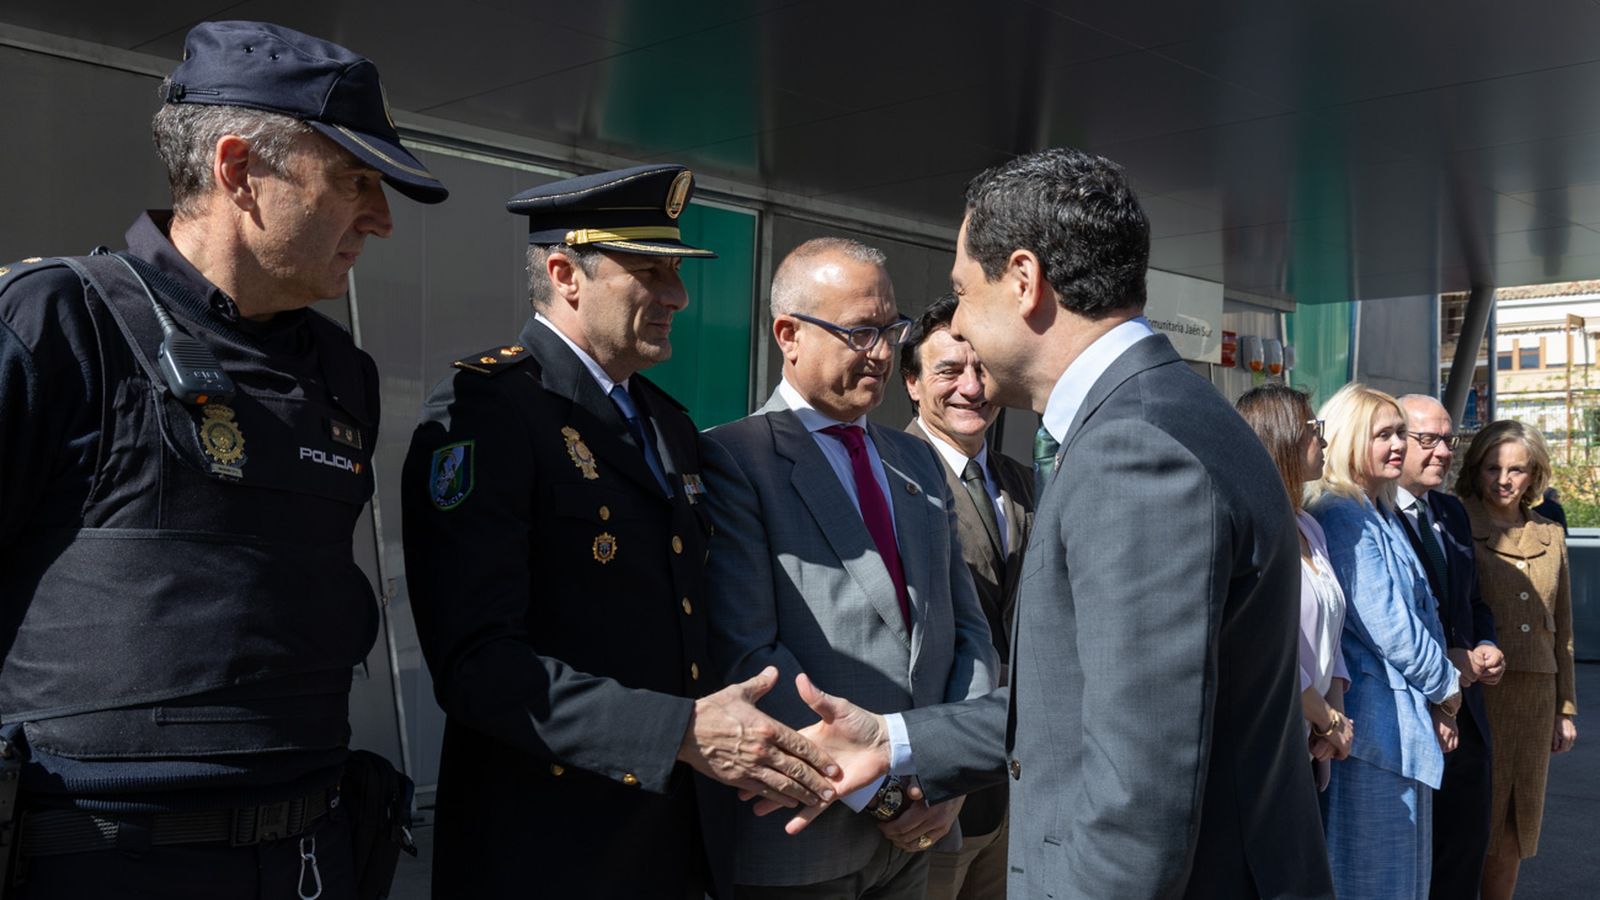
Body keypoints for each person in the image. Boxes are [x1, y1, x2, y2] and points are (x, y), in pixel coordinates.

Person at [759, 148, 1333, 899]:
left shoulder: (1135, 450)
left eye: (963, 290)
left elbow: (1139, 791)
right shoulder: (1170, 415)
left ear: (1024, 281)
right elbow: (1080, 700)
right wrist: (897, 739)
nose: (956, 320)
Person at [0, 20, 445, 898]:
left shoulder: (339, 372)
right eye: (356, 181)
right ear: (239, 170)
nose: (383, 220)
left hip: (311, 852)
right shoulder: (57, 322)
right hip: (104, 859)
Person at [400, 166, 842, 899]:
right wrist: (677, 733)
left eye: (676, 271)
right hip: (550, 846)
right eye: (650, 271)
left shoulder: (664, 420)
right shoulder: (490, 413)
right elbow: (478, 665)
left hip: (668, 836)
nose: (677, 295)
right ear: (565, 272)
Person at [700, 238, 998, 898]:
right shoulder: (735, 460)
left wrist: (946, 770)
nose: (884, 354)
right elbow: (749, 655)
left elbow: (969, 632)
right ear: (789, 334)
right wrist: (884, 795)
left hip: (922, 830)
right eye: (861, 332)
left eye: (889, 331)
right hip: (806, 837)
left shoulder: (916, 461)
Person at [900, 293, 1034, 899]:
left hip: (1018, 788)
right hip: (935, 795)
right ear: (911, 383)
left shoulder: (1023, 482)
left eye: (981, 369)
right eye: (949, 371)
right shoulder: (890, 478)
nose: (971, 388)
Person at [1307, 384, 1463, 900]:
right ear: (1351, 438)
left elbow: (1426, 613)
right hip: (1373, 735)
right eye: (1385, 434)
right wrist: (1448, 686)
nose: (1399, 445)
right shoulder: (1345, 515)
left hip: (1397, 728)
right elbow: (1392, 627)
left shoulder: (1378, 512)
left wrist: (1442, 696)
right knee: (1374, 881)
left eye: (1401, 433)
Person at [1454, 420, 1578, 900]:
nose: (1504, 480)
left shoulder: (1551, 533)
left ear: (1534, 475)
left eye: (1517, 470)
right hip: (1478, 696)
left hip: (1534, 700)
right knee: (1471, 817)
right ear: (1477, 468)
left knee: (1515, 822)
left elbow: (1562, 629)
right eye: (1493, 468)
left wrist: (1565, 709)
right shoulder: (1456, 520)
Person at [1394, 394, 1506, 900]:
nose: (1443, 451)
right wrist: (1444, 668)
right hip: (1412, 726)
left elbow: (1473, 601)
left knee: (1462, 863)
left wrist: (1485, 644)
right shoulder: (1366, 518)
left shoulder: (1450, 512)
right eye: (1429, 439)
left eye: (1449, 439)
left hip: (1469, 724)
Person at [1235, 384, 1355, 791]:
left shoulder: (1309, 526)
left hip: (1311, 743)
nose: (1323, 439)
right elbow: (1266, 648)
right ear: (1281, 436)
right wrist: (1327, 718)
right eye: (1313, 427)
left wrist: (1330, 722)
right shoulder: (1252, 531)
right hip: (1266, 743)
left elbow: (1332, 637)